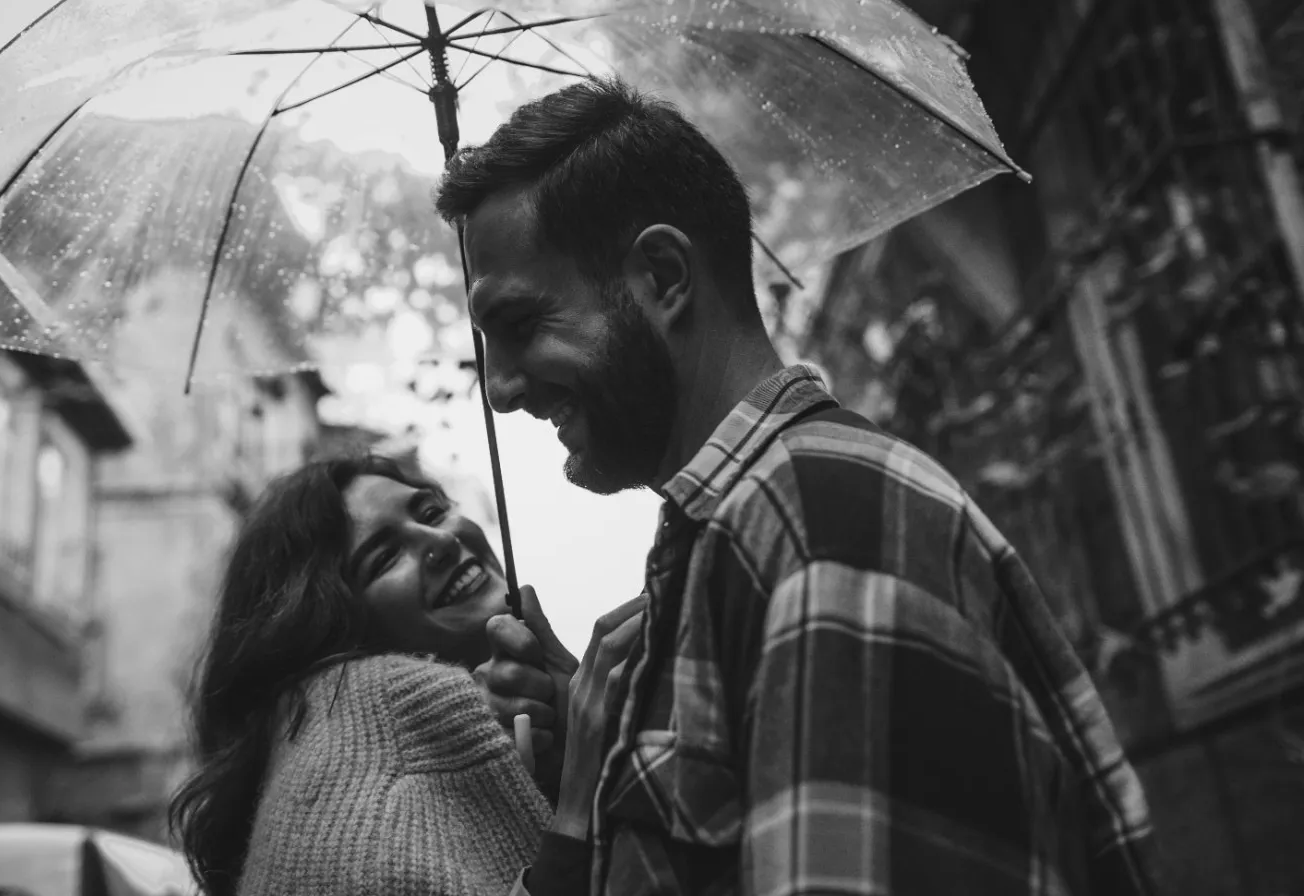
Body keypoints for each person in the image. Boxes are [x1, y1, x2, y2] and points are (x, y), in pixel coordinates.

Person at [437, 77, 1161, 896]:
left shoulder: (820, 525)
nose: (499, 388)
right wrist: (599, 764)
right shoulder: (741, 539)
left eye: (523, 325)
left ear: (664, 276)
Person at [168, 454, 549, 896]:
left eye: (432, 512)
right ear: (332, 622)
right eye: (385, 557)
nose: (439, 541)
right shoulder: (374, 712)